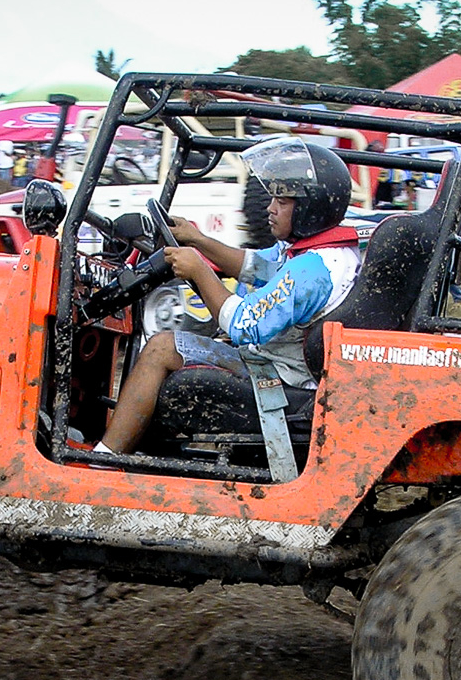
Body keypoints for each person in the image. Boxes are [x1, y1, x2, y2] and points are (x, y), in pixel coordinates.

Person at [97, 138, 358, 455]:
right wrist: (198, 240)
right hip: (280, 364)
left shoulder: (311, 271)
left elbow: (244, 324)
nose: (269, 208)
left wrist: (198, 270)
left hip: (281, 378)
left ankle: (104, 458)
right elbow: (260, 265)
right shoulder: (319, 253)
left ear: (310, 209)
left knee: (161, 347)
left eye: (282, 201)